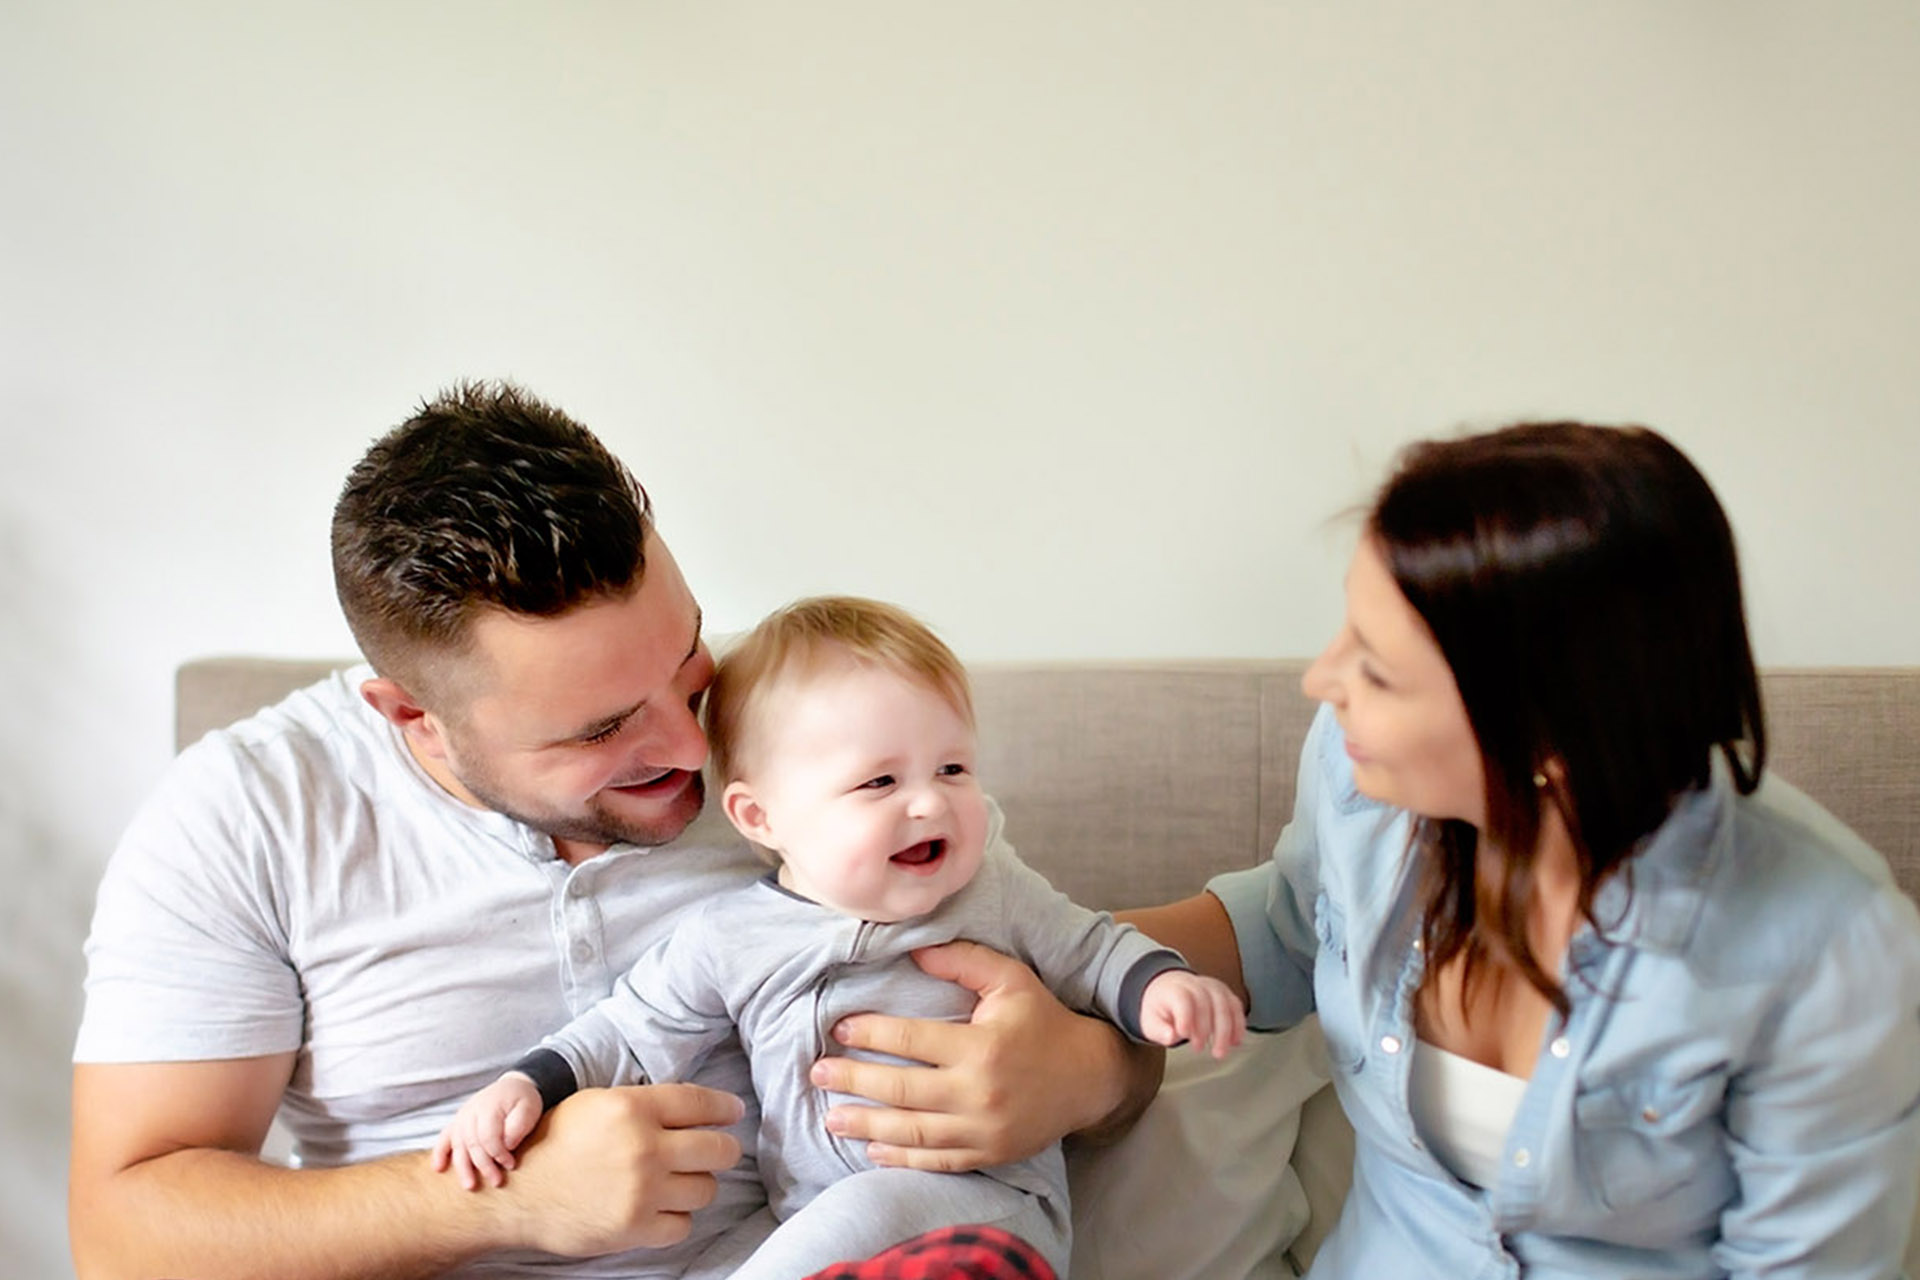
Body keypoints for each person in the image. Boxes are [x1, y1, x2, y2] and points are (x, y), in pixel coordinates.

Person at [68, 383, 1162, 1280]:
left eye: (685, 657)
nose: (694, 745)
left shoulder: (809, 739)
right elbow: (124, 1234)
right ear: (413, 714)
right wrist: (498, 1201)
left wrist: (1090, 1074)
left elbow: (1091, 960)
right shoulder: (251, 814)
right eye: (603, 728)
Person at [1130, 421, 1920, 1276]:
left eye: (1380, 671)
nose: (1322, 682)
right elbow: (1289, 926)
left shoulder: (1831, 944)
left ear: (1551, 733)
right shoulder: (1364, 781)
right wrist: (1051, 963)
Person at [433, 595, 1244, 1278]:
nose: (928, 803)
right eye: (880, 782)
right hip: (813, 1221)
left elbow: (1092, 949)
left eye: (954, 770)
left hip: (983, 1205)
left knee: (863, 1210)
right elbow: (630, 1030)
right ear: (761, 817)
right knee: (773, 1249)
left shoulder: (991, 890)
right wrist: (528, 1086)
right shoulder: (728, 936)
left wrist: (1161, 986)